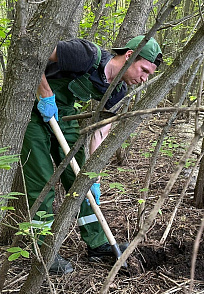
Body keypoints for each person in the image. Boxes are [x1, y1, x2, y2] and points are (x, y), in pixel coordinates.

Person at [22, 35, 162, 274]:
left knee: (82, 180)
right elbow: (34, 54)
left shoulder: (117, 90)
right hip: (32, 110)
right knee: (42, 180)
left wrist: (93, 175)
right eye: (144, 70)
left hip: (62, 114)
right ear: (129, 56)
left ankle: (97, 245)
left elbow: (100, 132)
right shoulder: (85, 54)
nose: (143, 78)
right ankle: (44, 252)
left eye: (149, 75)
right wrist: (45, 95)